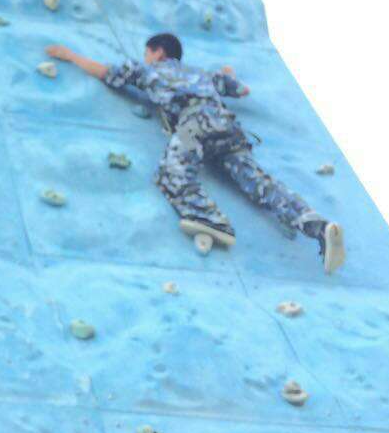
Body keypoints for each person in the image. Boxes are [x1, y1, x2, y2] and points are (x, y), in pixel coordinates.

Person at [45, 32, 346, 274]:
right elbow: (241, 90)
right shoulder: (203, 74)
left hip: (196, 122)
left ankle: (209, 219)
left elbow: (106, 72)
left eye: (147, 52)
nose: (146, 57)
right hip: (228, 128)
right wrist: (227, 73)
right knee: (260, 183)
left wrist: (70, 55)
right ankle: (318, 226)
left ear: (158, 52)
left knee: (173, 171)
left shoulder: (150, 69)